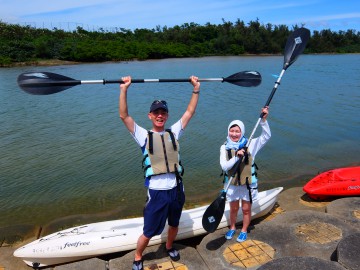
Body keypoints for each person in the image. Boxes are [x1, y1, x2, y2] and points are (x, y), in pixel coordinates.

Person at [119, 75, 200, 270]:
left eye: (163, 112)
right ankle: (138, 256)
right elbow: (124, 116)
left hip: (176, 188)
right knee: (148, 232)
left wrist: (196, 89)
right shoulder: (143, 136)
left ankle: (170, 246)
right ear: (150, 115)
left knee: (174, 224)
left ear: (167, 115)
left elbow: (189, 112)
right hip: (156, 191)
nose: (160, 115)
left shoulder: (173, 132)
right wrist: (124, 89)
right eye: (156, 112)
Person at [220, 106, 271, 243]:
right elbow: (224, 166)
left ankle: (243, 230)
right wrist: (237, 157)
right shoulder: (224, 147)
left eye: (237, 131)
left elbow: (266, 136)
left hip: (248, 184)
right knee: (233, 209)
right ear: (228, 131)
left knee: (246, 209)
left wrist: (263, 121)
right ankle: (232, 228)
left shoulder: (251, 144)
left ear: (242, 132)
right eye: (232, 131)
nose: (234, 134)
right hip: (232, 184)